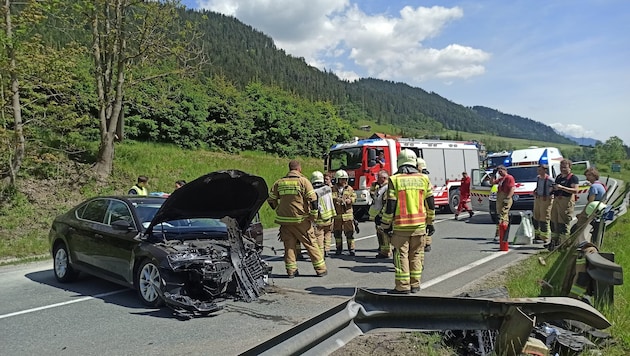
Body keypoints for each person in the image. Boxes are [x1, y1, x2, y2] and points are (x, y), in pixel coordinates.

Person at [380, 149, 435, 294]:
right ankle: (415, 285)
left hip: (401, 226)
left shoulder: (395, 179)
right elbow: (431, 203)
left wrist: (385, 225)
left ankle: (403, 286)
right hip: (420, 226)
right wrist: (430, 222)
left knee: (401, 255)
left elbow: (390, 205)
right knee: (416, 254)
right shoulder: (424, 179)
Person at [267, 160, 327, 278]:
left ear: (290, 169)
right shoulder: (303, 181)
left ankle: (291, 271)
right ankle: (320, 269)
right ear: (299, 169)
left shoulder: (279, 182)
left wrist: (278, 208)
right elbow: (313, 200)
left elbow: (270, 199)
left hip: (285, 222)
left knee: (289, 246)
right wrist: (313, 215)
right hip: (301, 220)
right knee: (311, 244)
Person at [546, 159, 579, 251]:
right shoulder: (559, 177)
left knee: (563, 222)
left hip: (566, 201)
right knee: (554, 221)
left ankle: (564, 244)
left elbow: (575, 190)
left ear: (570, 167)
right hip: (556, 201)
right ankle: (554, 242)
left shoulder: (573, 178)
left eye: (565, 167)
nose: (562, 169)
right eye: (561, 167)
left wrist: (562, 188)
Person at [331, 169, 357, 256]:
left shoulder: (349, 189)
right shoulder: (332, 189)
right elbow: (332, 198)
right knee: (337, 233)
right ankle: (338, 249)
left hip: (347, 215)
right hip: (337, 215)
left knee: (349, 233)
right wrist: (338, 200)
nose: (344, 181)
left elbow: (354, 197)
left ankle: (351, 249)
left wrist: (351, 200)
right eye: (342, 179)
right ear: (337, 179)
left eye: (345, 179)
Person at [311, 171, 336, 258]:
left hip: (320, 217)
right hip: (329, 216)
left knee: (319, 237)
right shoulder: (328, 188)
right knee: (328, 234)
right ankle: (327, 250)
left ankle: (320, 255)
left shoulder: (314, 192)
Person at [369, 170, 391, 258]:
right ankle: (383, 250)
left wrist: (381, 215)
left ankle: (386, 252)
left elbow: (386, 203)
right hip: (378, 215)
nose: (377, 179)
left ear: (384, 178)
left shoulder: (387, 188)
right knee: (380, 234)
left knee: (384, 234)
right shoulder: (379, 187)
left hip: (383, 216)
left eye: (379, 177)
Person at [492, 165, 515, 242]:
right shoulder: (501, 179)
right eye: (499, 172)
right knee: (499, 215)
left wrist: (508, 198)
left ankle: (501, 233)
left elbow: (512, 188)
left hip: (506, 197)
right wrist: (493, 174)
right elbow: (492, 183)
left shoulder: (509, 178)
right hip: (499, 197)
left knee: (503, 215)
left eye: (501, 171)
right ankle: (499, 232)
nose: (500, 173)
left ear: (505, 170)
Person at [532, 164, 554, 243]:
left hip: (546, 199)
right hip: (538, 199)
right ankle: (537, 235)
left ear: (545, 170)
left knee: (544, 217)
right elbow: (539, 186)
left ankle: (545, 237)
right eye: (538, 170)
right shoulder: (538, 178)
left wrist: (550, 194)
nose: (538, 172)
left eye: (540, 170)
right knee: (536, 216)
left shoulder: (550, 179)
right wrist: (535, 191)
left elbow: (554, 188)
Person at [417, 157, 433, 252]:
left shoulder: (421, 178)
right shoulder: (425, 177)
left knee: (424, 226)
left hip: (421, 206)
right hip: (425, 206)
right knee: (426, 225)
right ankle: (427, 243)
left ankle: (426, 243)